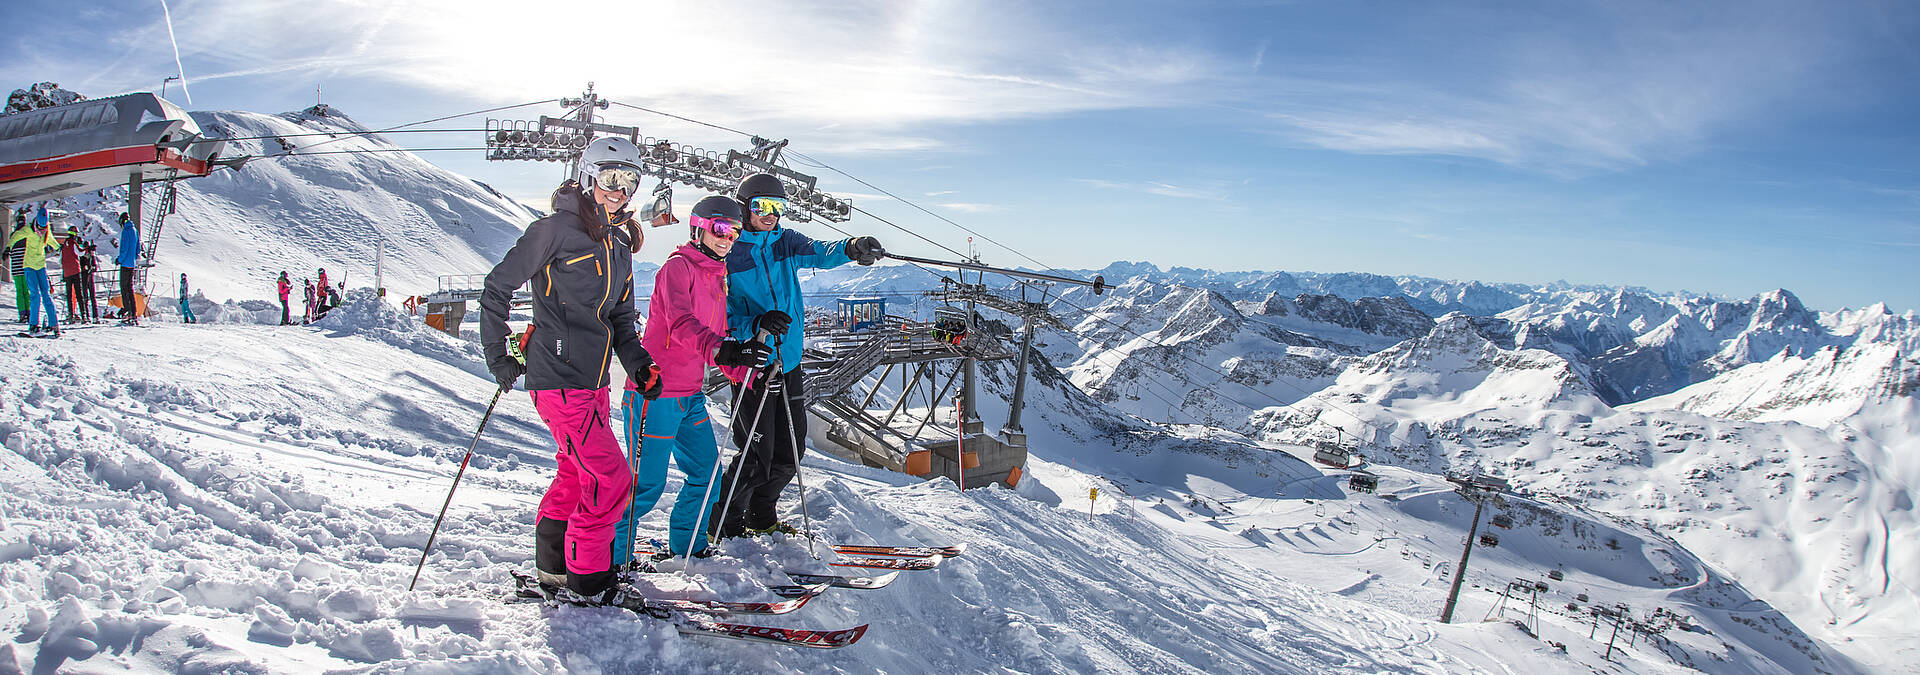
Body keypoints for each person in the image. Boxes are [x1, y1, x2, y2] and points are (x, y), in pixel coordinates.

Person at [479, 136, 660, 603]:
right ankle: (589, 581)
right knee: (609, 479)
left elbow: (619, 319)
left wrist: (638, 365)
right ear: (586, 176)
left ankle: (556, 570)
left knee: (576, 475)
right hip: (558, 380)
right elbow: (496, 288)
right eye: (610, 179)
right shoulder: (554, 230)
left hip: (593, 383)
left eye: (629, 182)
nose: (619, 191)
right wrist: (497, 355)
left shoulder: (619, 242)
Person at [710, 173, 885, 539]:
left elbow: (820, 252)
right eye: (762, 206)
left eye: (779, 207)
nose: (771, 214)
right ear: (745, 208)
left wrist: (852, 247)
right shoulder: (729, 250)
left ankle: (761, 516)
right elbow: (717, 314)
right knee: (756, 455)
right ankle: (724, 524)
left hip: (788, 362)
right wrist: (754, 323)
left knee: (790, 454)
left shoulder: (784, 241)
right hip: (754, 363)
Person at [613, 196, 773, 564]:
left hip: (690, 396)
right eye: (720, 229)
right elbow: (682, 326)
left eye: (734, 231)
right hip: (655, 394)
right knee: (645, 487)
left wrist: (750, 375)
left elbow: (715, 338)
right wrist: (727, 352)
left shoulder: (718, 274)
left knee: (706, 475)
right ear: (699, 228)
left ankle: (689, 547)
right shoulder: (677, 269)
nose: (727, 237)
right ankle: (609, 559)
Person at [6, 208, 60, 337]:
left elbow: (51, 240)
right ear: (36, 223)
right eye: (40, 228)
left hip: (41, 266)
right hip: (29, 266)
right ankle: (33, 324)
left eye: (44, 228)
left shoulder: (46, 230)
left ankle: (54, 323)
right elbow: (16, 236)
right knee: (35, 295)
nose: (41, 230)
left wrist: (58, 247)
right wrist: (8, 248)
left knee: (46, 294)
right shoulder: (28, 230)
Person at [115, 213, 139, 324]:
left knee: (124, 289)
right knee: (130, 289)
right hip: (132, 264)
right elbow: (138, 249)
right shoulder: (135, 230)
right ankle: (133, 313)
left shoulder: (125, 231)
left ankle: (128, 312)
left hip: (125, 264)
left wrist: (119, 260)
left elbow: (124, 249)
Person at [59, 226, 83, 323]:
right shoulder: (73, 243)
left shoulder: (64, 244)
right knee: (78, 293)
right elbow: (79, 253)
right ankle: (84, 314)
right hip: (75, 271)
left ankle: (70, 314)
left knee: (69, 294)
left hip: (67, 272)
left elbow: (60, 259)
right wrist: (86, 249)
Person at [8, 210, 26, 323]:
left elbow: (10, 251)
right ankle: (29, 313)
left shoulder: (13, 235)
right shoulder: (28, 235)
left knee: (20, 291)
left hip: (16, 268)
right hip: (27, 267)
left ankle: (22, 313)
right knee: (28, 291)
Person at [78, 242, 99, 323]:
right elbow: (81, 266)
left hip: (90, 278)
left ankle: (95, 316)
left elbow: (94, 267)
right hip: (84, 277)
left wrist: (92, 267)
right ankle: (86, 316)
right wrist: (85, 268)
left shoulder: (91, 256)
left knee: (92, 297)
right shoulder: (82, 256)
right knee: (85, 298)